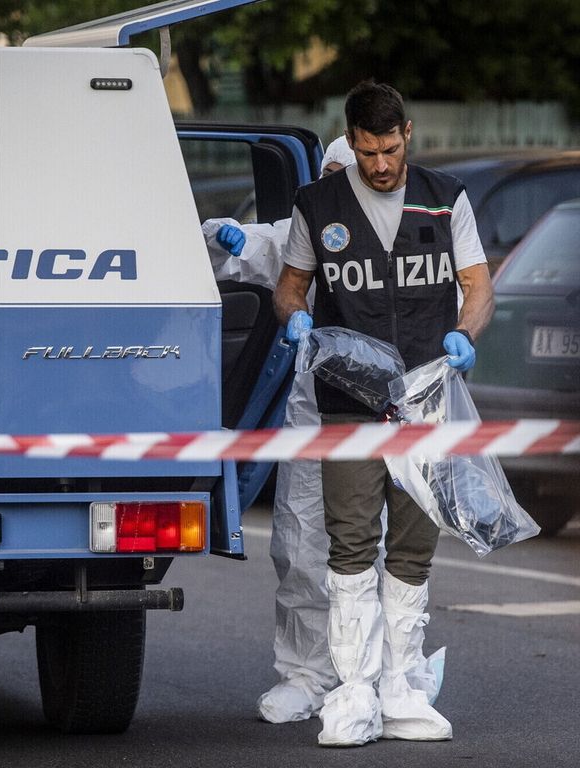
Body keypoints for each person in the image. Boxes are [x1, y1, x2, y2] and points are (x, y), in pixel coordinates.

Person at [272, 80, 494, 747]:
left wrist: (466, 333)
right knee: (350, 542)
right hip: (349, 398)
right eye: (367, 150)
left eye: (389, 148)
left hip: (427, 392)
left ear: (408, 134)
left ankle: (401, 688)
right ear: (352, 139)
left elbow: (478, 286)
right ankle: (353, 692)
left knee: (415, 545)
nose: (378, 164)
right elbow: (290, 287)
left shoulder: (444, 196)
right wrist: (295, 318)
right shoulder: (318, 204)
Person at [202, 135, 445, 726]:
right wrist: (222, 233)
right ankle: (308, 675)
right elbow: (227, 245)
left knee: (399, 550)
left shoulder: (407, 230)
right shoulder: (304, 228)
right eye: (334, 173)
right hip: (321, 413)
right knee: (304, 543)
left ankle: (397, 677)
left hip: (400, 406)